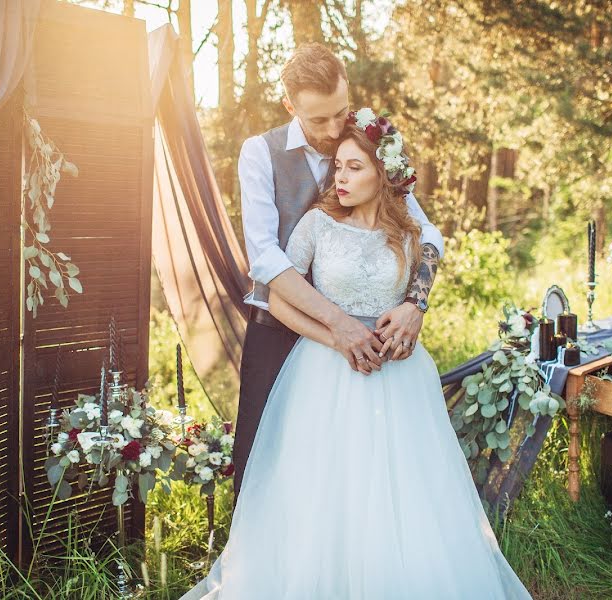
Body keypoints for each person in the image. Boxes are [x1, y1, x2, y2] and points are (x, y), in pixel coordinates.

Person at [179, 111, 533, 600]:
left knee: (402, 486)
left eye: (353, 168)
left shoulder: (409, 233)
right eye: (337, 168)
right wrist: (332, 337)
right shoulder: (318, 224)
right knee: (325, 485)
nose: (339, 178)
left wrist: (414, 309)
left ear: (383, 175)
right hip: (325, 373)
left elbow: (428, 254)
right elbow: (276, 295)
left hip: (399, 377)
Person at [232, 43, 445, 502]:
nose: (333, 130)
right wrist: (338, 325)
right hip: (278, 328)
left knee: (357, 469)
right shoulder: (259, 153)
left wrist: (415, 303)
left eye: (341, 113)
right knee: (261, 461)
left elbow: (427, 231)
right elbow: (266, 258)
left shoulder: (367, 142)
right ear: (290, 106)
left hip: (369, 339)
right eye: (318, 120)